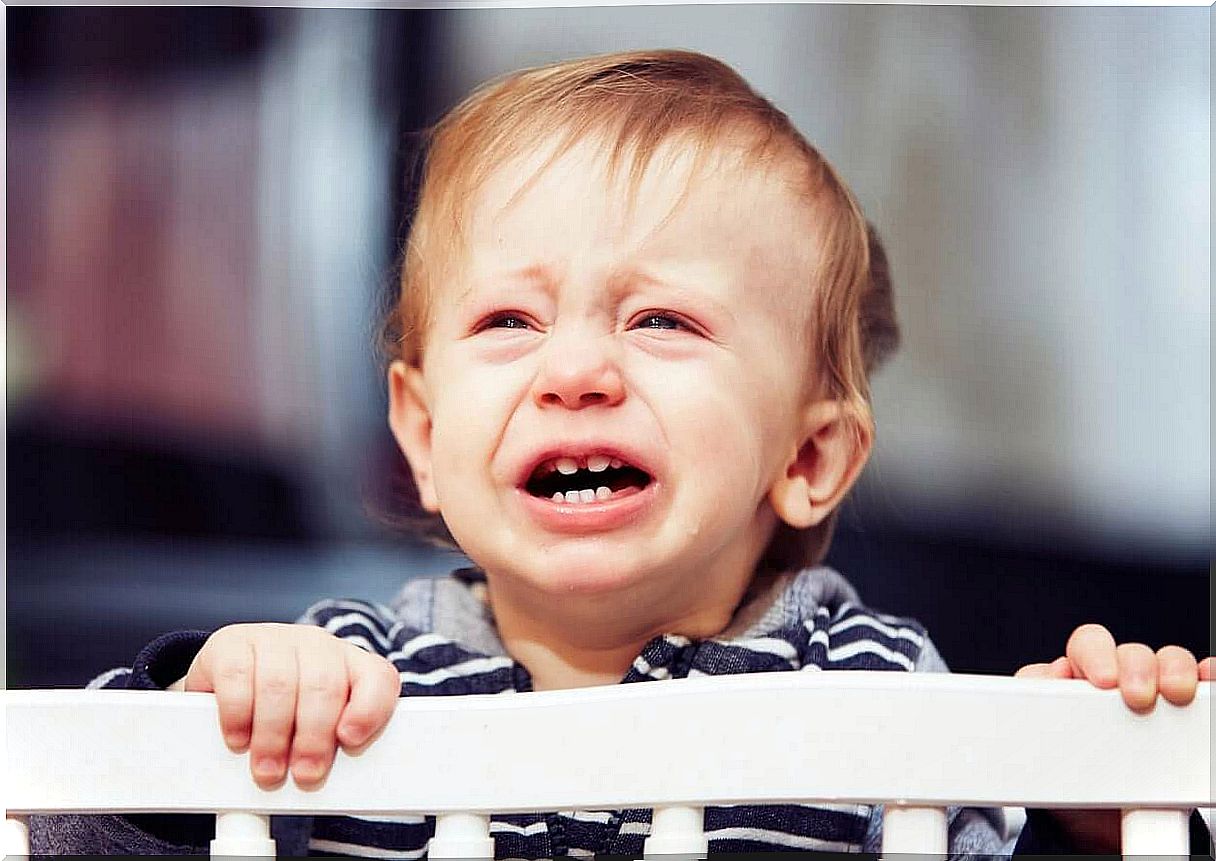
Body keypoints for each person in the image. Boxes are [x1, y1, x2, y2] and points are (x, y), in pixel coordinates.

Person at [30, 49, 1211, 857]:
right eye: (508, 321)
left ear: (806, 459)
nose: (576, 369)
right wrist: (195, 718)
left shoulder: (871, 685)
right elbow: (63, 834)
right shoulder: (349, 679)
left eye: (661, 321)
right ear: (425, 437)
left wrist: (1090, 808)